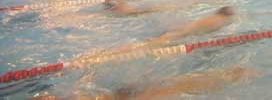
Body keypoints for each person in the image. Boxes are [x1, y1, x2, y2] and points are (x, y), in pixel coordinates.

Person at [83, 7, 237, 59]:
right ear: (227, 14)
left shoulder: (212, 18)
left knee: (142, 46)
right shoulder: (219, 21)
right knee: (141, 47)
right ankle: (97, 57)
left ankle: (98, 56)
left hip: (175, 33)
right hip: (176, 36)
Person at [33, 67, 257, 100]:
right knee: (178, 86)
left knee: (177, 85)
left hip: (119, 94)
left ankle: (229, 76)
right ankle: (230, 76)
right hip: (122, 94)